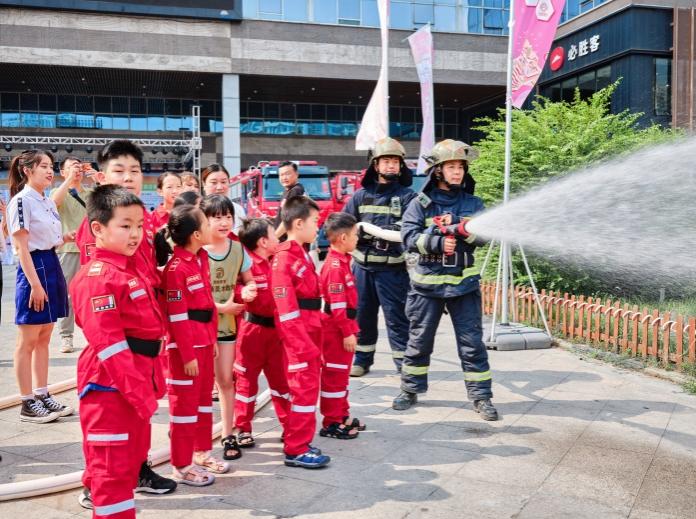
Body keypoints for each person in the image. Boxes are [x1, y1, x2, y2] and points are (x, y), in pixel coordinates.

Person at [73, 141, 177, 507]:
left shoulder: (140, 223)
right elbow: (104, 323)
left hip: (142, 355)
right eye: (120, 170)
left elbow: (143, 276)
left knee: (131, 440)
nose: (129, 177)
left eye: (134, 170)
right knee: (110, 457)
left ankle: (136, 469)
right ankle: (100, 483)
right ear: (103, 175)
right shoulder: (100, 240)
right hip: (118, 368)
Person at [392, 139, 498, 421]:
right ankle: (409, 389)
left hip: (464, 286)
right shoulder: (420, 204)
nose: (457, 172)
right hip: (427, 286)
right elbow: (408, 238)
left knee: (472, 344)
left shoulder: (473, 203)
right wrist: (438, 243)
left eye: (461, 167)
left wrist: (464, 232)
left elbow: (487, 238)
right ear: (438, 171)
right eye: (451, 166)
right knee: (419, 340)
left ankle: (481, 397)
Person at [159, 204, 230, 485]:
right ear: (197, 234)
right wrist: (187, 355)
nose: (214, 225)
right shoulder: (176, 269)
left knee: (201, 406)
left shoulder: (200, 259)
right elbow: (177, 318)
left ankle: (200, 453)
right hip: (185, 351)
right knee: (184, 411)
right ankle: (180, 465)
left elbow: (207, 306)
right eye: (207, 221)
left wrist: (211, 341)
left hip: (203, 344)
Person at [6, 149, 73, 423]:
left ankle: (42, 393)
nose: (50, 170)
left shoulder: (45, 200)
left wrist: (64, 237)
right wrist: (34, 284)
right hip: (34, 267)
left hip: (51, 262)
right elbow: (21, 247)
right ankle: (26, 402)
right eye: (44, 166)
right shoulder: (21, 201)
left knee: (45, 335)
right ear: (27, 170)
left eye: (51, 166)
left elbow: (47, 238)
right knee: (28, 339)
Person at [342, 137, 416, 377]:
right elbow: (343, 227)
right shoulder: (359, 197)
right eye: (386, 161)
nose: (391, 166)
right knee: (362, 316)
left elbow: (410, 231)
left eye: (395, 161)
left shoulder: (408, 198)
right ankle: (362, 360)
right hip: (362, 270)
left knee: (397, 319)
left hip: (393, 271)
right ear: (376, 165)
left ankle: (403, 363)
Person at [271, 195, 330, 469]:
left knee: (306, 393)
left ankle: (301, 441)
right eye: (315, 221)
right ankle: (295, 449)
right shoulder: (283, 259)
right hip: (299, 341)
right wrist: (302, 347)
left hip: (309, 335)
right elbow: (286, 311)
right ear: (298, 223)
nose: (318, 227)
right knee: (303, 394)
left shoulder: (301, 255)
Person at [200, 194, 257, 461]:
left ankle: (227, 433)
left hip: (228, 328)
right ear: (204, 220)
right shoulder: (197, 251)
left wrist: (249, 289)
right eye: (217, 217)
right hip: (201, 327)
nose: (223, 222)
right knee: (200, 385)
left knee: (225, 380)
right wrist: (222, 307)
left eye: (227, 217)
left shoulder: (238, 249)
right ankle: (197, 441)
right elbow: (192, 294)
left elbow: (249, 279)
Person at [233, 218, 290, 448]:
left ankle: (290, 426)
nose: (278, 238)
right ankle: (243, 428)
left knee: (281, 382)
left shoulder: (276, 262)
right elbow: (228, 287)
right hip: (252, 333)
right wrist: (241, 291)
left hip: (276, 333)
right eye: (274, 235)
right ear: (263, 241)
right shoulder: (245, 264)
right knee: (246, 383)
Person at [318, 212, 365, 439]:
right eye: (355, 234)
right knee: (334, 377)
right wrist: (347, 333)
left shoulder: (343, 261)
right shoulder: (335, 266)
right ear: (343, 238)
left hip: (344, 325)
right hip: (336, 330)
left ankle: (342, 414)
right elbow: (337, 307)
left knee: (342, 376)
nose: (358, 238)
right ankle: (331, 422)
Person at [50, 156, 90, 353]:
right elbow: (52, 203)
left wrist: (99, 178)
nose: (77, 170)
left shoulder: (91, 193)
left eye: (79, 167)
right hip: (69, 251)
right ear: (63, 172)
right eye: (71, 167)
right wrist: (69, 180)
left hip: (92, 251)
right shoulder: (59, 193)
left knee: (95, 293)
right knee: (68, 295)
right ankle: (67, 336)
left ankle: (94, 334)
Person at [201, 164, 246, 233]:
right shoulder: (197, 211)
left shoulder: (238, 210)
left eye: (223, 182)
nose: (219, 187)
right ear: (204, 184)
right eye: (214, 182)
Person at [274, 161, 305, 239]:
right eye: (281, 175)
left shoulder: (295, 191)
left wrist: (275, 237)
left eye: (287, 174)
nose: (284, 178)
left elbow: (289, 219)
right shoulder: (288, 191)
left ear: (296, 174)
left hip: (287, 241)